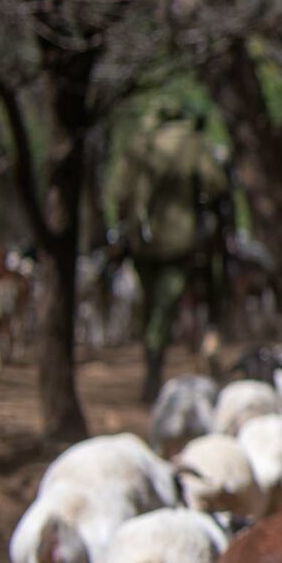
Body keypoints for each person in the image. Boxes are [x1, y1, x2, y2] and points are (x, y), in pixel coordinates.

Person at [111, 103, 232, 402]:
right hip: (181, 243)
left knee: (152, 304)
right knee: (164, 308)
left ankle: (153, 362)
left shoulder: (139, 144)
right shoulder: (193, 143)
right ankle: (155, 368)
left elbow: (120, 192)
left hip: (142, 243)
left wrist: (125, 229)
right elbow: (217, 185)